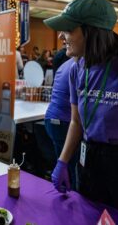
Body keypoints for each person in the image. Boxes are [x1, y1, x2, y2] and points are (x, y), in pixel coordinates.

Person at [44, 0, 118, 216]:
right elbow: (75, 121)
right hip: (90, 158)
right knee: (90, 216)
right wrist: (63, 162)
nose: (61, 36)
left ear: (90, 32)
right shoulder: (76, 69)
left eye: (68, 29)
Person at [44, 58, 79, 190]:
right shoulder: (78, 65)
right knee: (72, 168)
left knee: (64, 165)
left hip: (52, 120)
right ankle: (72, 200)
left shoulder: (66, 64)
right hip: (64, 122)